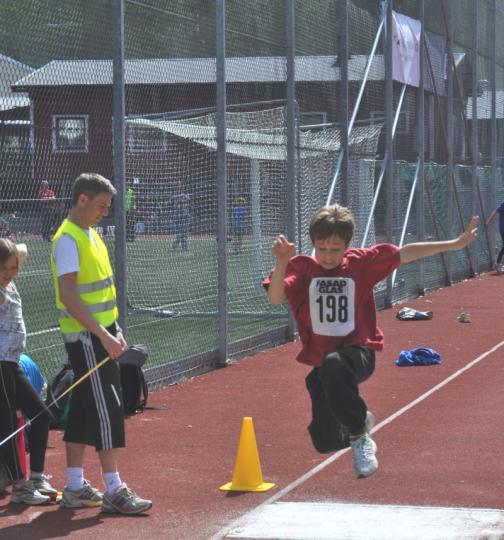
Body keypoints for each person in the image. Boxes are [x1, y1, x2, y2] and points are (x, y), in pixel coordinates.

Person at [263, 204, 478, 479]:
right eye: (322, 248)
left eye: (335, 249)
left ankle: (360, 435)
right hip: (323, 365)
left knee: (334, 363)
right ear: (313, 244)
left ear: (346, 246)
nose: (328, 256)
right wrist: (282, 262)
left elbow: (405, 253)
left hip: (359, 353)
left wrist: (455, 244)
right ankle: (360, 419)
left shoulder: (361, 263)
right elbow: (275, 296)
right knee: (324, 440)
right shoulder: (302, 268)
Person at [50, 173, 152, 514]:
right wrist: (103, 335)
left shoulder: (90, 234)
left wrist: (115, 328)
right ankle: (113, 488)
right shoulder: (67, 239)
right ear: (82, 199)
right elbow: (68, 296)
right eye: (101, 205)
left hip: (101, 334)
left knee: (83, 409)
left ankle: (75, 485)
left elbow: (102, 292)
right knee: (108, 407)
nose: (105, 212)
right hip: (87, 339)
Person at [0, 239, 58, 503]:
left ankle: (36, 476)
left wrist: (11, 253)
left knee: (42, 414)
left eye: (14, 267)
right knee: (9, 425)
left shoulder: (10, 281)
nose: (11, 272)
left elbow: (21, 250)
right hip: (1, 364)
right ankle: (20, 487)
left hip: (13, 363)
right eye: (5, 268)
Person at [486, 202, 504, 270]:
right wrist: (488, 221)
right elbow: (495, 212)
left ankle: (498, 263)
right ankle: (497, 263)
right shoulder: (503, 206)